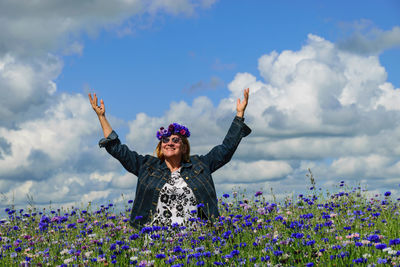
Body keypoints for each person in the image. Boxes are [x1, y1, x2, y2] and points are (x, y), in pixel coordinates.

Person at [89, 89, 251, 229]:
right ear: (160, 147)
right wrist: (102, 117)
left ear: (184, 147)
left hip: (195, 242)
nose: (170, 143)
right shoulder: (146, 166)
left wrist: (239, 115)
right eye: (165, 140)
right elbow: (118, 150)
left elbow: (226, 149)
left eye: (175, 140)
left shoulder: (200, 165)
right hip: (157, 241)